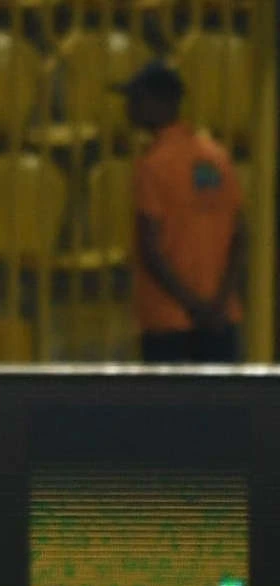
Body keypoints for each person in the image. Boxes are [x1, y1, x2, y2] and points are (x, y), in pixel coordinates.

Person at [117, 61, 245, 363]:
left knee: (168, 410)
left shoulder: (153, 165)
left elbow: (150, 250)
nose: (128, 108)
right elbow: (240, 236)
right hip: (221, 316)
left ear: (158, 102)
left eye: (136, 99)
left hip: (168, 319)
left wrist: (193, 306)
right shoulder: (217, 157)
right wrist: (217, 304)